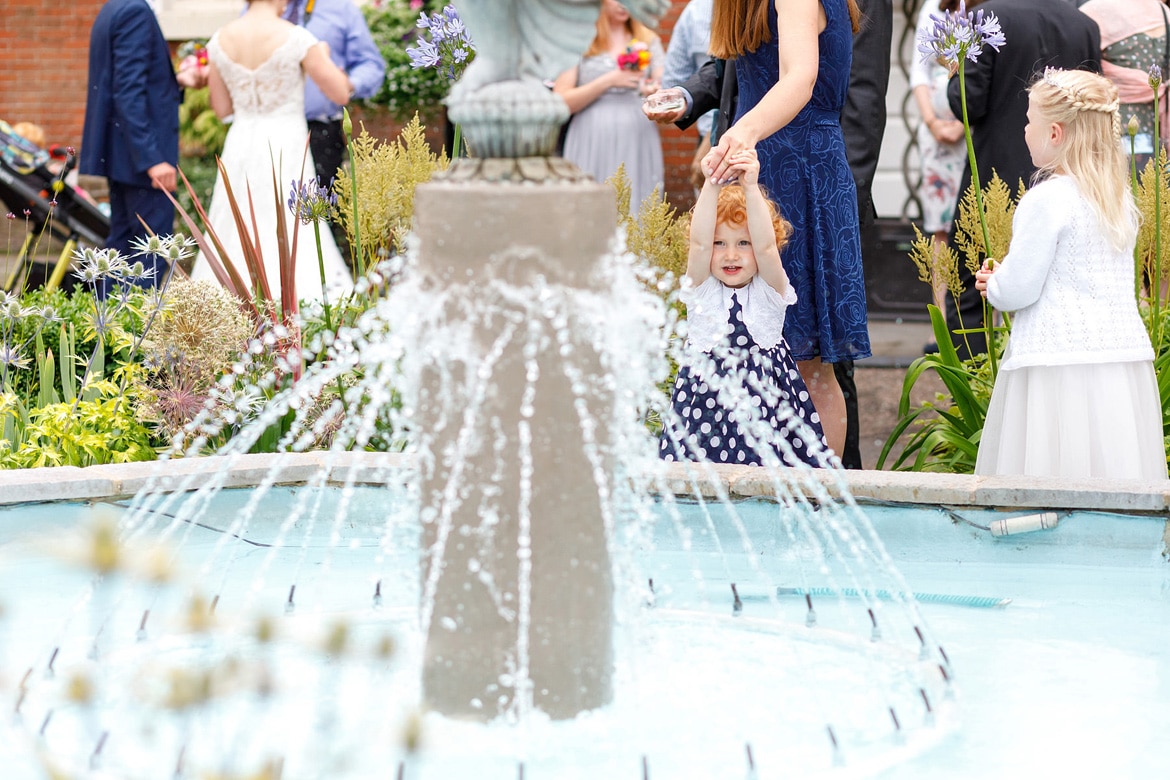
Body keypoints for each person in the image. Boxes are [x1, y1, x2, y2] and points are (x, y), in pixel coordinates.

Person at [644, 0, 888, 469]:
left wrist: (739, 135)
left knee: (809, 362)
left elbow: (801, 76)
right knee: (764, 354)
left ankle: (821, 499)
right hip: (764, 166)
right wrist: (691, 101)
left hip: (800, 174)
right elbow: (740, 72)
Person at [973, 69, 1166, 480]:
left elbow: (1020, 289)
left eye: (1030, 121)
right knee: (1112, 468)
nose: (1025, 130)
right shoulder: (1116, 200)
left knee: (1054, 472)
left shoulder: (1047, 199)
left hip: (1055, 363)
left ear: (1055, 133)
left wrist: (996, 283)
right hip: (1117, 360)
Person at [943, 0, 1101, 360]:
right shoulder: (1084, 24)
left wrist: (955, 73)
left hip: (992, 179)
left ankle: (975, 389)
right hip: (1067, 178)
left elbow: (968, 103)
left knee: (969, 290)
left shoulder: (988, 15)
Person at [659, 148, 826, 467]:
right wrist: (710, 184)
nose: (730, 255)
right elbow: (699, 244)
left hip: (764, 410)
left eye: (742, 243)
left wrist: (751, 187)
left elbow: (765, 246)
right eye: (720, 244)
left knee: (768, 485)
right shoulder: (702, 289)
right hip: (705, 410)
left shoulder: (770, 289)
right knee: (701, 488)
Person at [191, 0, 354, 304]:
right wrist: (327, 59)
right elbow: (340, 92)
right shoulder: (298, 38)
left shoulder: (219, 40)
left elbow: (222, 109)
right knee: (291, 224)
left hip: (240, 142)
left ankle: (231, 308)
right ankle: (294, 308)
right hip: (284, 143)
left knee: (234, 222)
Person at [80, 0, 208, 287]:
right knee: (148, 257)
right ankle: (133, 329)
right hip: (140, 163)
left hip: (123, 157)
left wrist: (177, 81)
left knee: (120, 251)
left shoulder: (114, 8)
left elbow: (130, 83)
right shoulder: (135, 11)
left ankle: (109, 326)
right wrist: (152, 159)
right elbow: (127, 91)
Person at [553, 0, 666, 210]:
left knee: (636, 199)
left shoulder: (649, 40)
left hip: (637, 134)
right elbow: (561, 101)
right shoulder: (580, 41)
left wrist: (653, 89)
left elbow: (664, 85)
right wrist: (609, 80)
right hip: (591, 135)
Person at [282, 0, 386, 192]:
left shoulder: (341, 7)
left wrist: (349, 84)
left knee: (322, 215)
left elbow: (371, 64)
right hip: (269, 132)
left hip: (319, 132)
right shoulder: (257, 8)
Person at [910, 0, 966, 313]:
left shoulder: (984, 7)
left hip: (971, 129)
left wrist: (963, 123)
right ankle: (942, 323)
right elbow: (919, 71)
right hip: (936, 137)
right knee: (940, 229)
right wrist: (932, 121)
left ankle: (986, 323)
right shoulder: (933, 6)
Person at [1079, 0, 1170, 170]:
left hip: (1113, 125)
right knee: (1155, 188)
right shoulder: (1162, 11)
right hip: (1159, 125)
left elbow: (1082, 71)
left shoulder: (1095, 11)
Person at [660, 0, 716, 190]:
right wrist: (679, 96)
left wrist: (712, 136)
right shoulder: (695, 11)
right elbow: (673, 80)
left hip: (761, 137)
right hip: (710, 141)